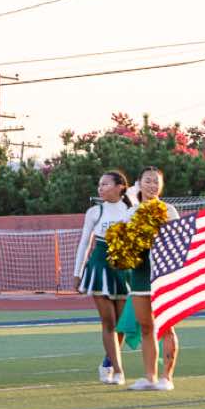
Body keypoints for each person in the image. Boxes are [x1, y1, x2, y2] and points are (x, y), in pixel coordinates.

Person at [73, 170, 135, 385]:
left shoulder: (131, 210)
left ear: (120, 187)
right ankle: (118, 371)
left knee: (122, 324)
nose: (101, 188)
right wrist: (77, 273)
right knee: (108, 322)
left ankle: (107, 363)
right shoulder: (94, 211)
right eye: (99, 185)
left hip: (124, 269)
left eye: (106, 184)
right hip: (100, 268)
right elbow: (84, 243)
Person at [124, 167, 179, 392]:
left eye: (156, 182)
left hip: (163, 274)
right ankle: (150, 377)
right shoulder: (131, 212)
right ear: (139, 184)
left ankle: (167, 377)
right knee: (146, 327)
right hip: (140, 273)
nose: (152, 185)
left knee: (166, 326)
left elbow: (177, 243)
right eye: (148, 181)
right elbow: (126, 245)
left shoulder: (169, 210)